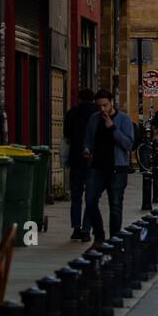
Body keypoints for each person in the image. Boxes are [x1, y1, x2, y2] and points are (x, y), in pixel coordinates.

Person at [82, 89, 135, 246]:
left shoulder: (124, 120)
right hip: (96, 167)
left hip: (117, 168)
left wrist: (112, 127)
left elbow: (128, 144)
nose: (102, 109)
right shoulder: (93, 119)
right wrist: (86, 149)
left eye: (105, 105)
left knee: (115, 205)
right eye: (99, 106)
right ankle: (99, 236)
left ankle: (114, 240)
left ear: (112, 102)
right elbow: (88, 139)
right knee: (90, 201)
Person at [63, 87, 97, 241]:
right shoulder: (97, 114)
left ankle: (76, 228)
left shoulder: (72, 113)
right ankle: (86, 229)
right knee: (91, 196)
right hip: (93, 161)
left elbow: (67, 135)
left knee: (76, 196)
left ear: (79, 98)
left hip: (76, 159)